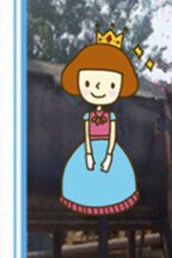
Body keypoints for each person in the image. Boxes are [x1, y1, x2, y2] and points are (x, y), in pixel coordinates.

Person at [59, 25, 139, 215]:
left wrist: (109, 156)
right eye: (88, 83)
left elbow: (112, 137)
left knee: (113, 186)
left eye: (110, 84)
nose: (97, 89)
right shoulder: (89, 115)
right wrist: (88, 155)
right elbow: (88, 136)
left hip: (108, 152)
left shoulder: (113, 115)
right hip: (90, 151)